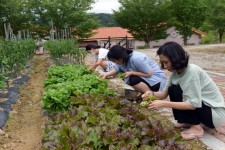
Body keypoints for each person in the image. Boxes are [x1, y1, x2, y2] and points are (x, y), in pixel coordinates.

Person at [142, 41, 225, 140]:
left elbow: (193, 104)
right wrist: (151, 94)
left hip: (214, 115)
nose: (164, 66)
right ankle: (187, 121)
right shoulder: (175, 74)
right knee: (172, 89)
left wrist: (164, 104)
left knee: (178, 89)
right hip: (203, 108)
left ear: (175, 58)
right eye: (162, 63)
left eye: (166, 62)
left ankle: (197, 129)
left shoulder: (192, 72)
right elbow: (164, 94)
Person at [99, 45, 167, 95]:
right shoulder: (123, 59)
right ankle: (144, 93)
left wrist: (131, 73)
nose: (114, 62)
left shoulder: (136, 58)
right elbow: (117, 69)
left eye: (114, 60)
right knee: (125, 76)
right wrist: (106, 74)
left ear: (119, 58)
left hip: (156, 80)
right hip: (147, 80)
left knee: (132, 78)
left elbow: (150, 73)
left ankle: (150, 96)